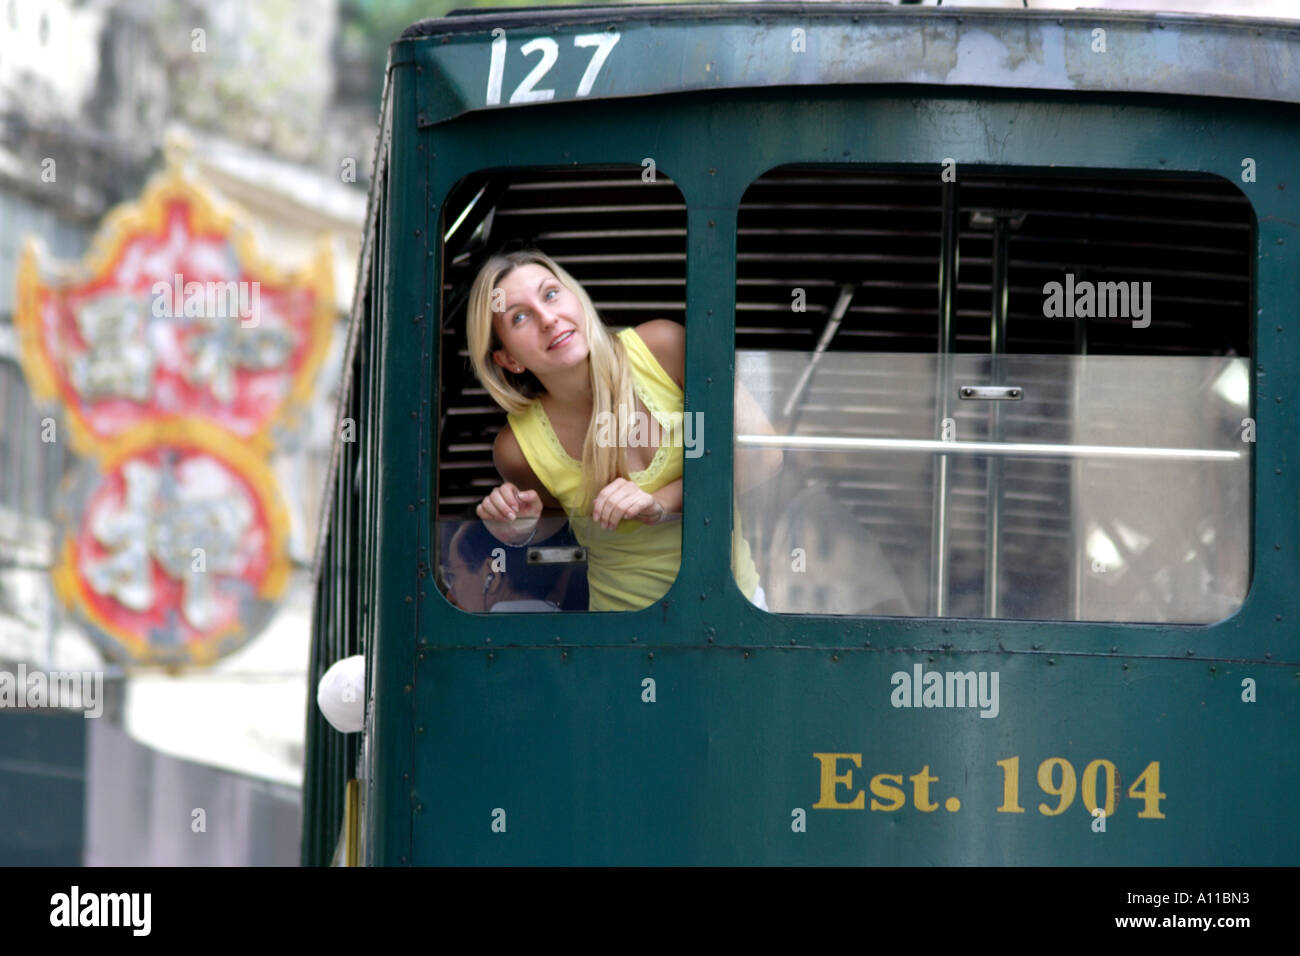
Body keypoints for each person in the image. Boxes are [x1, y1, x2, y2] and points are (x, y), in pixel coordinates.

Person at [466, 248, 781, 611]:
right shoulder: (517, 447)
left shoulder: (664, 347)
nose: (549, 318)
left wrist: (661, 502)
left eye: (551, 294)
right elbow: (559, 529)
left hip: (734, 614)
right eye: (520, 317)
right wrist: (519, 531)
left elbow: (765, 456)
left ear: (576, 298)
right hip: (626, 642)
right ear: (509, 359)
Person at [441, 518, 569, 612]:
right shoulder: (569, 630)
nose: (449, 595)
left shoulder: (474, 642)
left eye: (452, 576)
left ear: (491, 575)